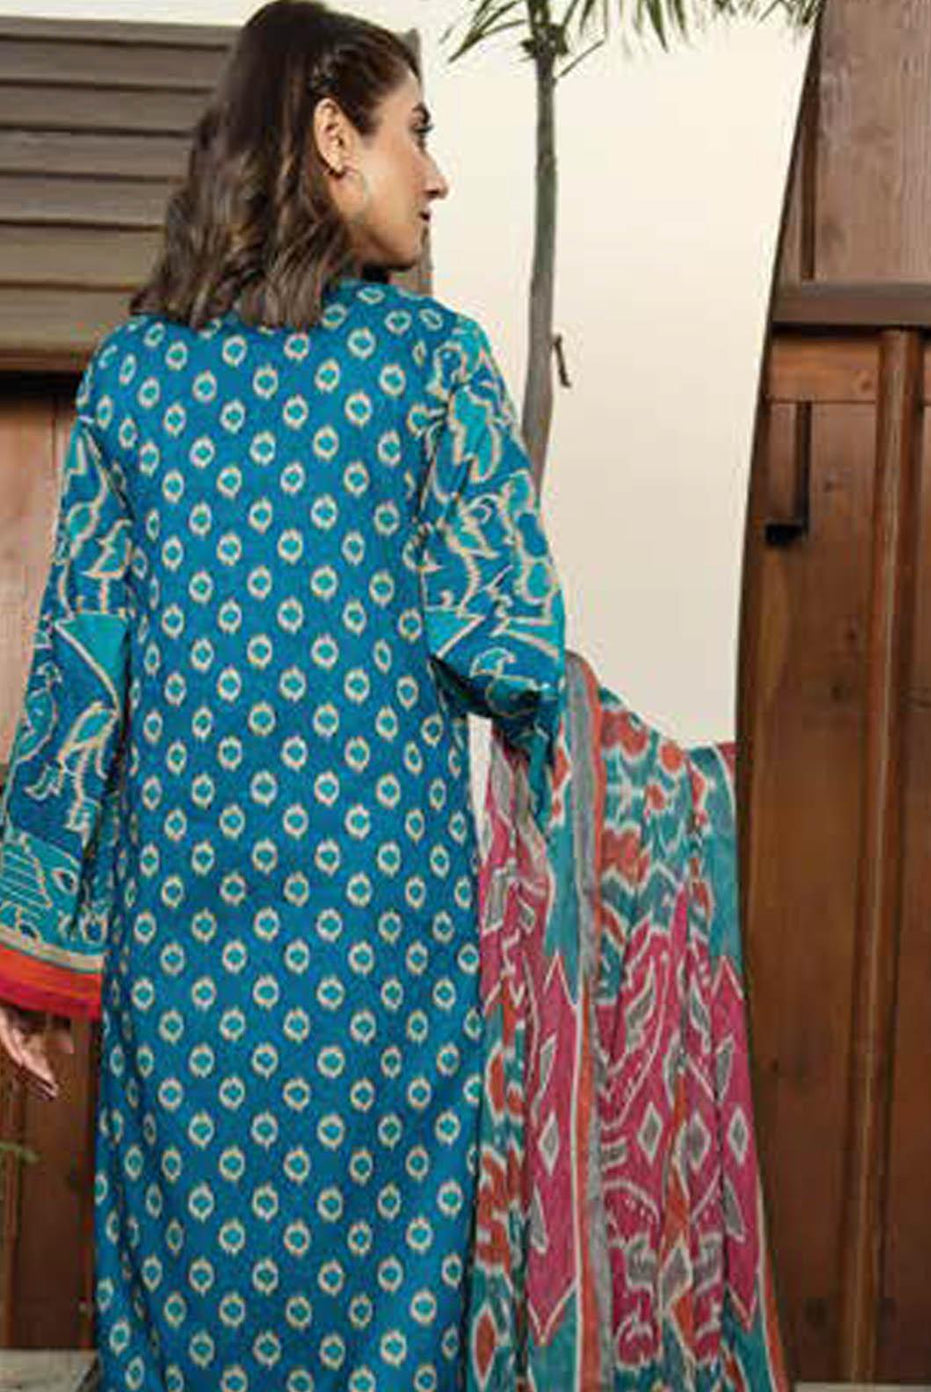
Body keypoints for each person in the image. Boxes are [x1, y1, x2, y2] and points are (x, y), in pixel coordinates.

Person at [0, 3, 566, 1388]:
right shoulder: (433, 366)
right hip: (382, 952)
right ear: (333, 140)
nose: (436, 175)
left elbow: (80, 676)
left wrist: (29, 938)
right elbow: (508, 642)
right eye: (415, 132)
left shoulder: (136, 377)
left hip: (181, 959)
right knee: (383, 1324)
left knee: (183, 1321)